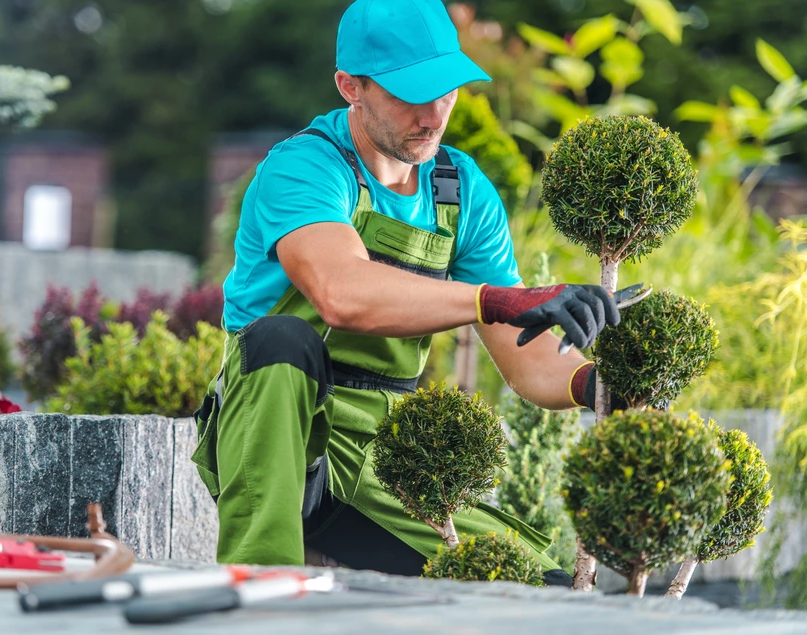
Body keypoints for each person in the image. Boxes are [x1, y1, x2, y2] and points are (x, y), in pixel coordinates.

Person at [192, 0, 619, 586]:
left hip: (388, 456)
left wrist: (597, 386)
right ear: (351, 87)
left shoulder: (460, 191)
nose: (434, 114)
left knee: (541, 588)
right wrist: (492, 299)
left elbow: (527, 360)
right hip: (280, 436)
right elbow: (341, 293)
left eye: (446, 90)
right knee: (280, 339)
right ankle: (261, 589)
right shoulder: (304, 168)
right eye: (410, 94)